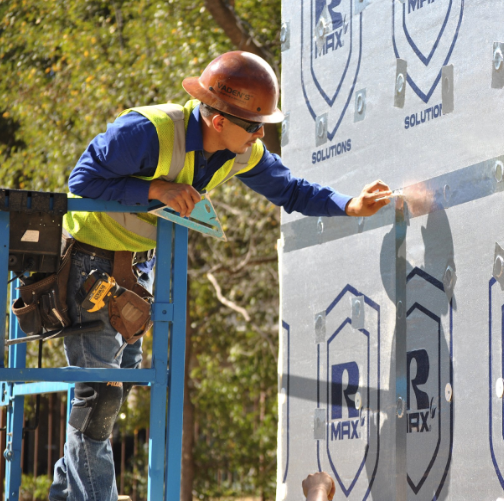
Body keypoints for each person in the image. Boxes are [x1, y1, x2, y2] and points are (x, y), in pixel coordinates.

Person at [49, 51, 391, 501]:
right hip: (90, 267)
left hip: (133, 272)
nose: (260, 134)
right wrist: (156, 190)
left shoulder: (238, 152)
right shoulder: (146, 131)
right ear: (218, 122)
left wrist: (350, 205)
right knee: (100, 398)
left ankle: (63, 494)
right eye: (253, 125)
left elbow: (290, 189)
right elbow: (80, 183)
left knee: (113, 392)